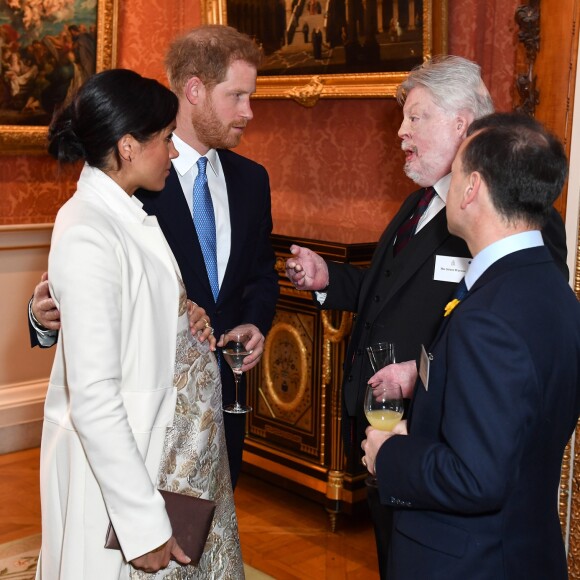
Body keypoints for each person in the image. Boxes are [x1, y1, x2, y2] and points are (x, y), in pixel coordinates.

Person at [284, 55, 569, 578]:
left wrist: (430, 380)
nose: (401, 131)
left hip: (441, 468)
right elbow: (385, 290)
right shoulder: (419, 204)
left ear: (461, 125)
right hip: (395, 429)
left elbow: (515, 333)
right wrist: (331, 280)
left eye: (416, 117)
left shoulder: (518, 219)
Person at [29, 25, 280, 489]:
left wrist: (254, 321)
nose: (249, 112)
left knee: (206, 542)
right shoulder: (128, 182)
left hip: (225, 402)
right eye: (238, 96)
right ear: (195, 90)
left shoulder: (252, 180)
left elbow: (261, 275)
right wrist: (43, 314)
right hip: (146, 417)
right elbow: (81, 287)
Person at [35, 68, 244, 579]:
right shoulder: (87, 230)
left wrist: (180, 316)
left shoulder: (125, 213)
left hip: (164, 454)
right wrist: (142, 524)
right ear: (128, 146)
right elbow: (95, 396)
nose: (174, 153)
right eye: (168, 138)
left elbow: (136, 313)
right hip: (124, 473)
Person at [361, 112, 580, 579]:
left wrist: (389, 455)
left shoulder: (488, 317)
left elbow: (476, 477)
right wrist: (418, 378)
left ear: (472, 188)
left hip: (469, 562)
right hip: (522, 547)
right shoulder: (551, 289)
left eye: (455, 172)